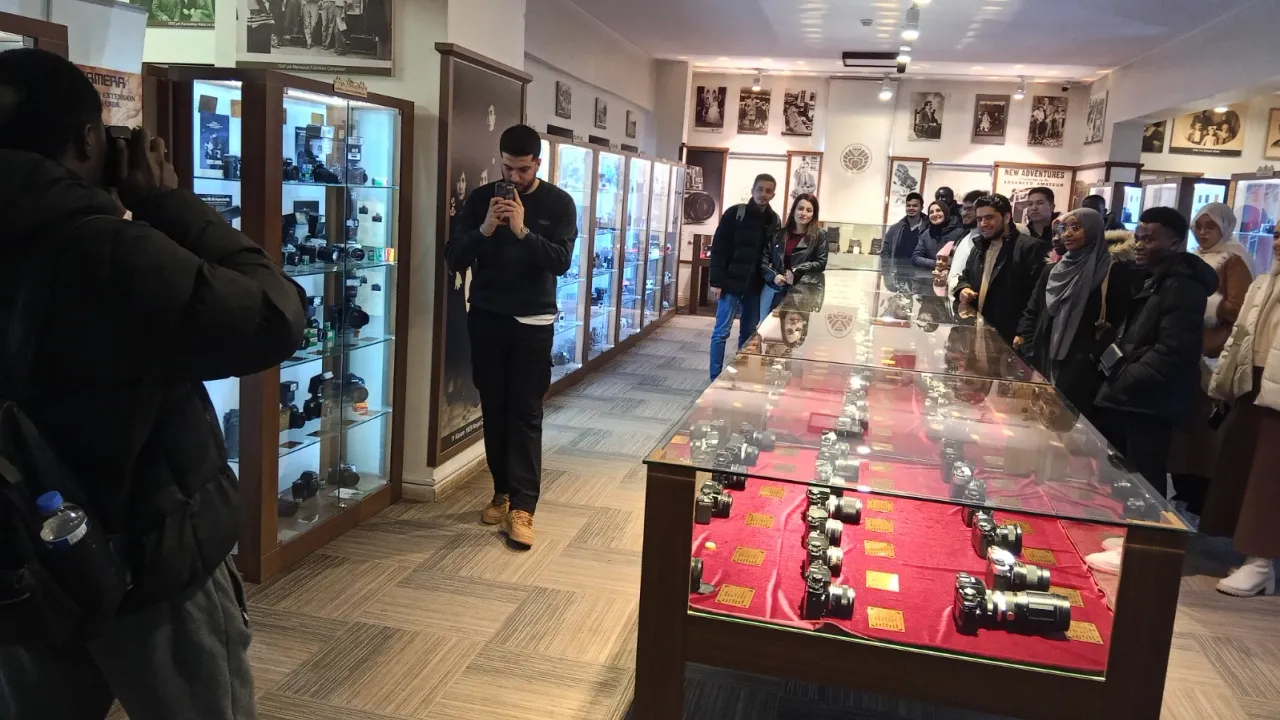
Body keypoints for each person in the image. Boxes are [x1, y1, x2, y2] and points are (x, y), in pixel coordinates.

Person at [0, 49, 307, 719]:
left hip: (19, 552)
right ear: (89, 140)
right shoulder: (106, 250)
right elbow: (274, 316)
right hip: (146, 552)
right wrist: (168, 204)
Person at [445, 124, 577, 548]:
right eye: (507, 168)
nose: (514, 178)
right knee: (495, 409)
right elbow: (454, 256)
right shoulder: (482, 199)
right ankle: (501, 491)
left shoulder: (559, 202)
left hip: (533, 322)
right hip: (486, 317)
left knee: (526, 413)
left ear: (538, 163)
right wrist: (485, 228)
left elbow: (561, 262)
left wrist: (522, 231)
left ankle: (523, 508)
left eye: (523, 169)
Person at [1094, 207, 1217, 495]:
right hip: (1135, 397)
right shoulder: (1156, 277)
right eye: (1138, 238)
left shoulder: (1183, 286)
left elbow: (1174, 351)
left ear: (1173, 243)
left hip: (1149, 401)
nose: (1138, 245)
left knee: (1143, 483)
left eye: (1148, 240)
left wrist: (1125, 379)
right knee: (1125, 479)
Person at [1203, 226, 1280, 596]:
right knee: (1242, 466)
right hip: (1254, 382)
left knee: (1269, 476)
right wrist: (1225, 380)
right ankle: (1251, 554)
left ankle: (1261, 562)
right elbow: (1241, 337)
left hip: (1276, 393)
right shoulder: (1264, 282)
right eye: (1277, 234)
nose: (1278, 243)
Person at [1168, 203, 1255, 514]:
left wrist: (1205, 304)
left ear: (1224, 228)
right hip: (1189, 347)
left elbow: (1240, 307)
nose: (1203, 233)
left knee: (1206, 426)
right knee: (1185, 424)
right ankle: (1184, 484)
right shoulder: (1195, 257)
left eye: (1210, 227)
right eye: (1199, 227)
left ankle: (1203, 491)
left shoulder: (1233, 259)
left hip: (1214, 351)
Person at [1014, 209, 1132, 417]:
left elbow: (1122, 321)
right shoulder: (1052, 271)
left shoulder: (1112, 272)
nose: (1067, 234)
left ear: (1093, 231)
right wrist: (1030, 346)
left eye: (1076, 228)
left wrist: (1093, 354)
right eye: (1063, 228)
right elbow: (1033, 310)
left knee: (1076, 419)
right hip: (1046, 357)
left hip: (1085, 366)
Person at [709, 173, 779, 379]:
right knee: (721, 332)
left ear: (773, 195)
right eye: (760, 189)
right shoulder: (735, 213)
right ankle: (714, 376)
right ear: (752, 190)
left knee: (748, 335)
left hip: (754, 288)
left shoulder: (773, 220)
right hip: (729, 284)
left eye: (768, 191)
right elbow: (718, 249)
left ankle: (740, 376)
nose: (763, 194)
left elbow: (773, 254)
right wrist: (716, 281)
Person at [953, 193, 1049, 343]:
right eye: (979, 219)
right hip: (978, 331)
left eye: (989, 218)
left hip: (1010, 336)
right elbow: (965, 277)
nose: (983, 224)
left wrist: (1023, 332)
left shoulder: (1030, 248)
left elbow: (1037, 298)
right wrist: (963, 289)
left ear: (1006, 217)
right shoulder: (978, 247)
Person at [760, 193, 828, 319]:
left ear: (814, 214)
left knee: (793, 327)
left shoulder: (820, 235)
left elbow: (821, 262)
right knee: (765, 326)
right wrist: (774, 276)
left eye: (809, 210)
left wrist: (796, 270)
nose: (804, 213)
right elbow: (764, 260)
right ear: (794, 210)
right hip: (774, 288)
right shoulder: (778, 234)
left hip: (802, 292)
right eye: (800, 208)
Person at [947, 190, 988, 296]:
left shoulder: (986, 240)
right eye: (963, 209)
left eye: (969, 209)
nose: (963, 213)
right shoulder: (966, 234)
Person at [913, 200, 965, 270]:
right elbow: (915, 258)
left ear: (945, 212)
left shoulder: (959, 233)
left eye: (938, 210)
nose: (934, 214)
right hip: (931, 274)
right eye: (931, 212)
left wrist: (947, 265)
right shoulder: (926, 234)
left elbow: (963, 259)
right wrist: (938, 264)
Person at [881, 192, 926, 262]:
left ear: (921, 208)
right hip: (898, 268)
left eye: (915, 206)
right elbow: (885, 252)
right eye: (908, 205)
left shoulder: (928, 228)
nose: (911, 208)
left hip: (920, 268)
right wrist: (888, 266)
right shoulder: (894, 229)